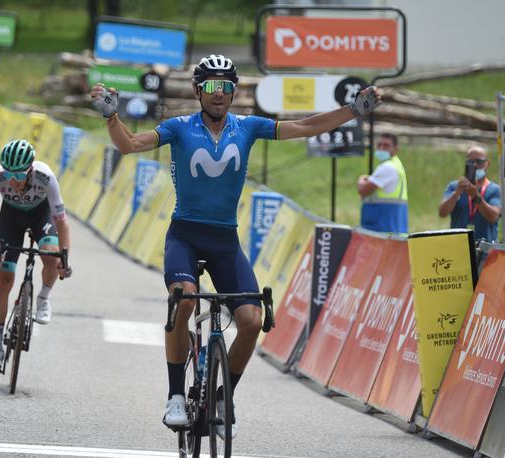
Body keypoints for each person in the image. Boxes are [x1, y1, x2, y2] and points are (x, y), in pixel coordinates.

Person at [91, 54, 381, 439]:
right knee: (185, 300)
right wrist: (112, 117)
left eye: (226, 87)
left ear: (234, 92)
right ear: (197, 91)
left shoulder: (248, 127)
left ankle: (222, 397)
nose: (219, 94)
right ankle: (176, 396)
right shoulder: (179, 127)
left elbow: (307, 126)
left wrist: (353, 111)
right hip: (185, 237)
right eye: (211, 86)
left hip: (225, 241)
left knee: (252, 321)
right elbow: (128, 145)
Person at [0, 139, 71, 373]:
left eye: (20, 175)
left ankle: (43, 297)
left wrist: (65, 258)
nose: (13, 180)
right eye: (9, 174)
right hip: (11, 218)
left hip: (41, 215)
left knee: (52, 257)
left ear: (30, 170)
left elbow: (62, 222)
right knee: (3, 278)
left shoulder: (46, 177)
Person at [438, 146, 501, 242]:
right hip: (459, 247)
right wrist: (456, 194)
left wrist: (476, 196)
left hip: (486, 250)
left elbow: (493, 217)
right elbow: (442, 213)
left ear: (487, 163)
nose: (475, 165)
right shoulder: (454, 187)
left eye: (479, 162)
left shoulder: (495, 190)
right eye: (471, 162)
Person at [356, 133, 408, 234]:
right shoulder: (396, 164)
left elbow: (363, 190)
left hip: (381, 229)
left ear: (396, 148)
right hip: (392, 228)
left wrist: (361, 179)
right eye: (379, 145)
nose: (381, 148)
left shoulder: (387, 167)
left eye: (386, 145)